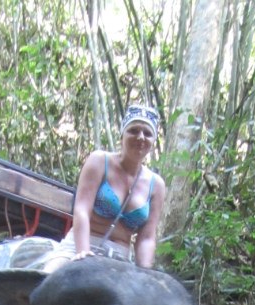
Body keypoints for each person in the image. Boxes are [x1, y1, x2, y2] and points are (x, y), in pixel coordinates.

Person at [45, 105, 166, 270]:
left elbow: (146, 237)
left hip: (120, 258)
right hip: (80, 246)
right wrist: (83, 252)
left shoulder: (156, 185)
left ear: (153, 141)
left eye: (148, 133)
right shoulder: (99, 161)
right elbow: (82, 209)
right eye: (134, 130)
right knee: (48, 278)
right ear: (122, 133)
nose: (141, 137)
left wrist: (145, 272)